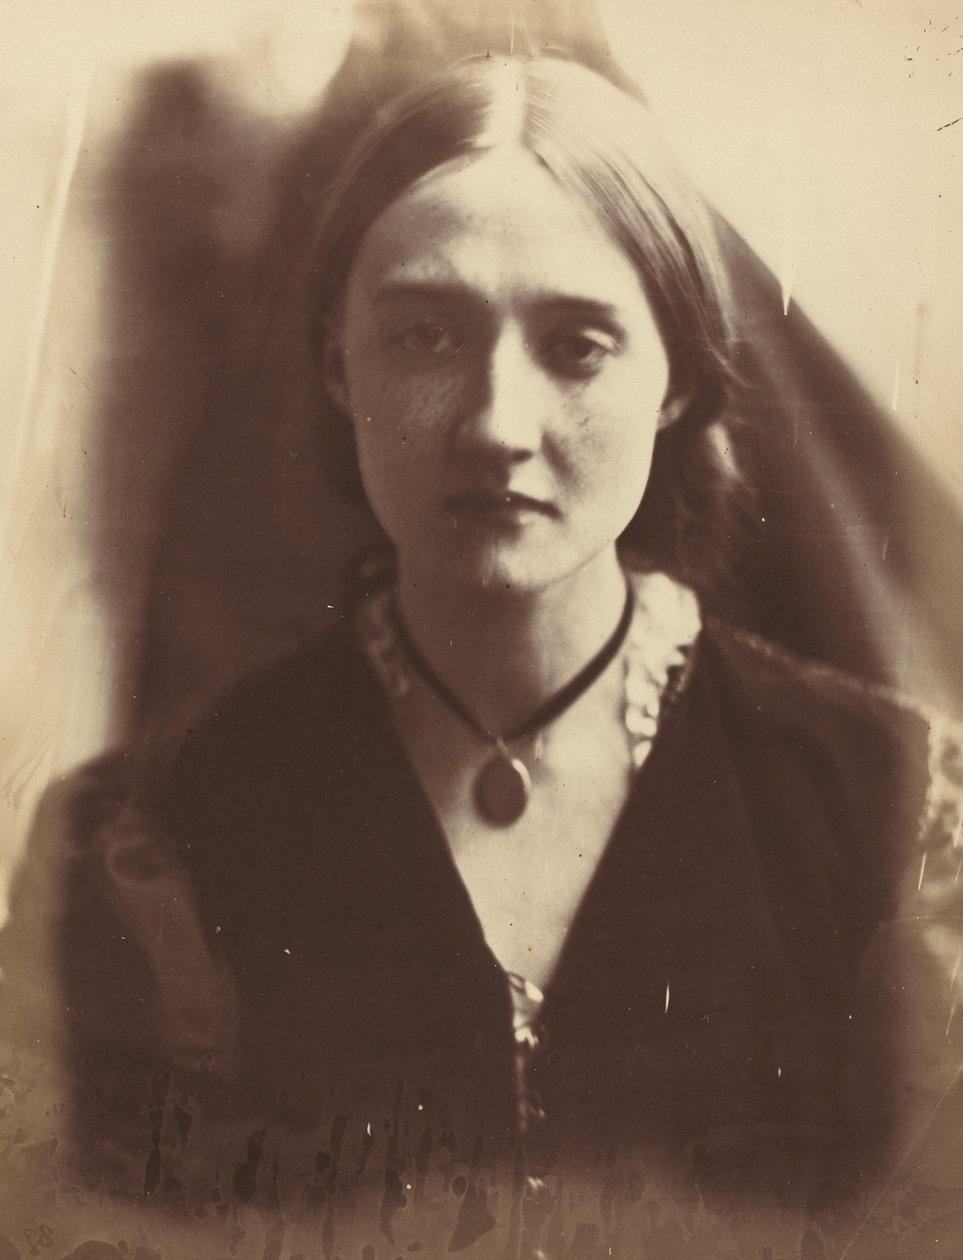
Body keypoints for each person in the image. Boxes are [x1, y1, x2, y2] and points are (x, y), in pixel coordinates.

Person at [4, 51, 963, 1252]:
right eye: (426, 335)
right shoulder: (147, 844)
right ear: (337, 364)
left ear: (676, 378)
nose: (499, 423)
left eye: (577, 345)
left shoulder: (896, 818)